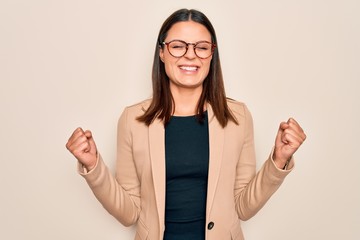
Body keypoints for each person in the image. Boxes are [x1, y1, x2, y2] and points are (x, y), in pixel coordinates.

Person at [66, 8, 306, 240]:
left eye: (201, 47)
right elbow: (129, 213)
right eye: (178, 46)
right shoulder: (132, 120)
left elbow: (243, 207)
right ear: (161, 52)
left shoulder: (238, 117)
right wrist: (93, 167)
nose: (190, 55)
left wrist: (279, 160)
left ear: (212, 54)